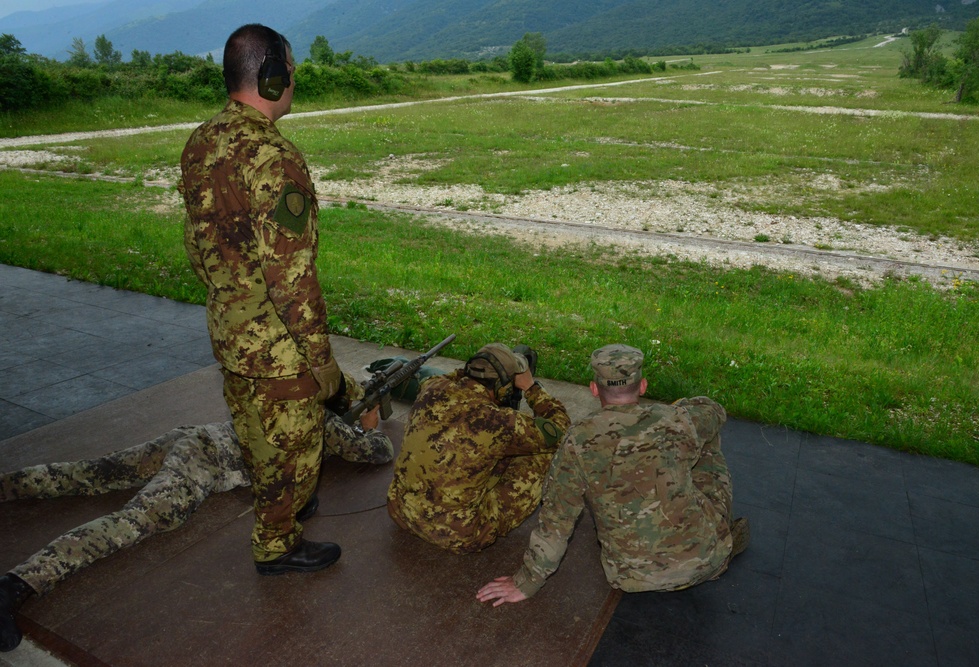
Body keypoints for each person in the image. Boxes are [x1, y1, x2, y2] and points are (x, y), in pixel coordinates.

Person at [0, 407, 391, 653]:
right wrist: (370, 426)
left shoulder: (288, 400)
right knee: (138, 520)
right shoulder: (324, 419)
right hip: (204, 459)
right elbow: (377, 453)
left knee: (92, 474)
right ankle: (16, 585)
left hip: (193, 436)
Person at [179, 24, 350, 574]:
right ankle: (277, 544)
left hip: (229, 329)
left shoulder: (203, 140)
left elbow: (199, 244)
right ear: (274, 77)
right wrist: (320, 358)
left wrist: (230, 296)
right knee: (292, 444)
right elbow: (290, 277)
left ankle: (287, 505)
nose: (293, 81)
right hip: (277, 346)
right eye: (291, 71)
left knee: (257, 434)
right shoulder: (274, 157)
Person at [476, 344, 749, 606]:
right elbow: (715, 411)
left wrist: (526, 583)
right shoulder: (675, 421)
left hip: (630, 577)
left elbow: (556, 523)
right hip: (706, 561)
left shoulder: (578, 441)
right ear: (643, 386)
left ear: (594, 389)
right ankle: (716, 531)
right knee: (705, 441)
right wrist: (683, 408)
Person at [386, 343, 571, 554]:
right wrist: (531, 387)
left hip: (400, 511)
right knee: (545, 451)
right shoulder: (501, 422)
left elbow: (449, 377)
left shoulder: (431, 387)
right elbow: (560, 428)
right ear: (502, 387)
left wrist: (472, 372)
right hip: (459, 533)